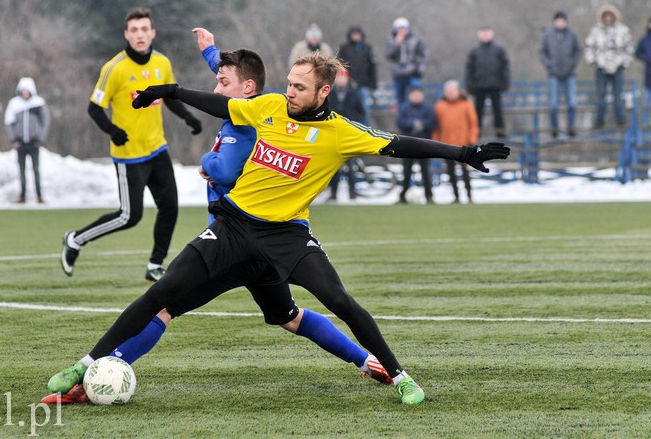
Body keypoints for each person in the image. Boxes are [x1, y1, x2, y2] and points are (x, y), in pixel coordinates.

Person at [46, 52, 510, 405]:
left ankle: (399, 375)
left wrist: (462, 153)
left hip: (286, 239)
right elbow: (221, 103)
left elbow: (401, 144)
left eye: (300, 87)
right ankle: (83, 366)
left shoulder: (340, 133)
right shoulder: (267, 107)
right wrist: (169, 91)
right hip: (232, 229)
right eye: (289, 84)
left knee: (338, 301)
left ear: (322, 93)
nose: (290, 92)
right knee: (160, 295)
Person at [59, 7, 203, 282]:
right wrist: (112, 130)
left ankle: (154, 265)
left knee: (170, 208)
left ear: (153, 33)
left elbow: (170, 96)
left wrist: (189, 118)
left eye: (144, 29)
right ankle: (75, 239)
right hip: (129, 156)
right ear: (126, 34)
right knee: (129, 216)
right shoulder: (114, 68)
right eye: (134, 30)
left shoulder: (162, 63)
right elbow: (94, 107)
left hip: (157, 148)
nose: (140, 35)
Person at [584, 4, 634, 129]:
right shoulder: (595, 30)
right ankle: (599, 120)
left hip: (618, 67)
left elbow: (629, 48)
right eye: (606, 16)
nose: (608, 18)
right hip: (601, 67)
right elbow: (589, 47)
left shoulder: (623, 30)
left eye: (610, 15)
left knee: (618, 95)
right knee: (601, 95)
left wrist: (624, 63)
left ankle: (620, 120)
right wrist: (593, 61)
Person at [4, 77, 50, 204]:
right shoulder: (14, 104)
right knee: (21, 170)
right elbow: (8, 122)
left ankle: (39, 196)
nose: (25, 94)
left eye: (27, 91)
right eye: (23, 91)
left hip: (34, 143)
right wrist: (13, 139)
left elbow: (45, 122)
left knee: (36, 169)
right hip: (20, 143)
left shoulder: (38, 103)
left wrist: (40, 138)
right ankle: (22, 196)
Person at [433, 80, 480, 204]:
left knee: (465, 171)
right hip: (446, 144)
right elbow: (436, 126)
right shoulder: (440, 106)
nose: (450, 93)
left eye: (452, 91)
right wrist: (435, 141)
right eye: (448, 91)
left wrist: (471, 140)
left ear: (458, 91)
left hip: (463, 144)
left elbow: (473, 123)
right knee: (450, 172)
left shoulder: (466, 104)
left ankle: (469, 195)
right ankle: (456, 196)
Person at [538, 11, 583, 138]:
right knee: (553, 104)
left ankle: (571, 127)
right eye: (558, 20)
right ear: (554, 22)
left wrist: (572, 64)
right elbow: (542, 52)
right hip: (553, 74)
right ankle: (554, 128)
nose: (560, 23)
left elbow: (579, 50)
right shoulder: (547, 35)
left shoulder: (573, 34)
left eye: (562, 20)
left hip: (570, 74)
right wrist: (549, 64)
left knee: (572, 103)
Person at [326, 69, 366, 201]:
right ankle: (333, 192)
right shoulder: (330, 94)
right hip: (334, 134)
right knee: (334, 166)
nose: (341, 79)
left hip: (349, 134)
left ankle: (352, 191)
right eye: (339, 77)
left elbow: (361, 112)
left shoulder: (354, 94)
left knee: (351, 165)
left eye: (343, 77)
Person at [465, 26, 510, 137]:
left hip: (495, 84)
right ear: (479, 35)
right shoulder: (474, 51)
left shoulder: (499, 50)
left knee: (498, 109)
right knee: (478, 111)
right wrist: (470, 85)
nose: (485, 35)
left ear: (491, 34)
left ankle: (500, 132)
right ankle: (476, 132)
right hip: (479, 85)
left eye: (487, 33)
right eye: (483, 33)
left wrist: (505, 82)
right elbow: (469, 69)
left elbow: (505, 67)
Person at [395, 84, 436, 204]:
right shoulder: (404, 108)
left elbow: (432, 122)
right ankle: (403, 196)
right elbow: (400, 122)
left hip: (424, 145)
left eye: (418, 94)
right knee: (406, 172)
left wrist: (422, 125)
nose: (416, 96)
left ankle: (429, 196)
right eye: (414, 94)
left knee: (426, 172)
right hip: (407, 145)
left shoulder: (428, 108)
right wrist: (412, 124)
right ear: (410, 95)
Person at [337, 25, 377, 125]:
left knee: (364, 108)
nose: (355, 37)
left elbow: (372, 67)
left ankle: (365, 129)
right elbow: (338, 65)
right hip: (347, 85)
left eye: (357, 34)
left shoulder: (367, 48)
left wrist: (373, 84)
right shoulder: (344, 48)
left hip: (363, 85)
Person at [385, 17, 428, 110]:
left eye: (403, 28)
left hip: (413, 73)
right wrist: (397, 44)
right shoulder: (392, 40)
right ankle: (403, 120)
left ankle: (417, 116)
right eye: (399, 29)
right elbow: (389, 55)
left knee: (416, 95)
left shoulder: (416, 39)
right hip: (398, 74)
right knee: (400, 100)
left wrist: (420, 68)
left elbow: (424, 54)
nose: (402, 31)